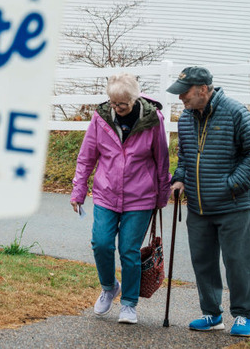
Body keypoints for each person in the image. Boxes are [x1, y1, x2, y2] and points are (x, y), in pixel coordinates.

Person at [166, 66, 250, 337]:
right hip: (199, 207)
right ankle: (212, 314)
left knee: (239, 262)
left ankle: (245, 316)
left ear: (203, 90)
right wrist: (179, 179)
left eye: (184, 93)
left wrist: (231, 185)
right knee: (203, 262)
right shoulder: (186, 118)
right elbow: (185, 156)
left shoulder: (235, 112)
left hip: (234, 205)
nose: (180, 99)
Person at [70, 73, 171, 325]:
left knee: (129, 250)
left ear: (134, 99)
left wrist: (162, 195)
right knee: (101, 243)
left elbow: (162, 160)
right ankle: (108, 287)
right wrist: (78, 191)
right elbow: (86, 157)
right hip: (106, 193)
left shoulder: (153, 120)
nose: (117, 108)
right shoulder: (100, 118)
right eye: (113, 103)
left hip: (141, 197)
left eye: (122, 104)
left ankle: (128, 304)